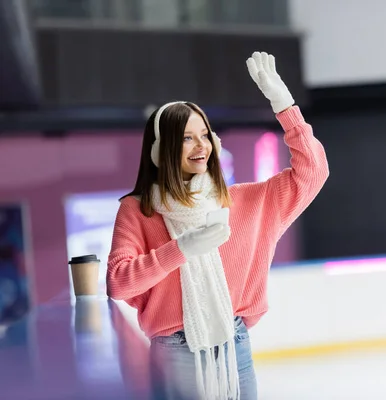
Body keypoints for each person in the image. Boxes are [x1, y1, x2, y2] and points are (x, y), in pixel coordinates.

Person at [106, 51, 329, 400]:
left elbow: (313, 172)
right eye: (186, 138)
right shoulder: (138, 210)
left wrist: (284, 105)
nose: (202, 146)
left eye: (205, 135)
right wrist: (181, 249)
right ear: (160, 149)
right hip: (173, 351)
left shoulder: (244, 201)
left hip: (233, 341)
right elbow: (118, 283)